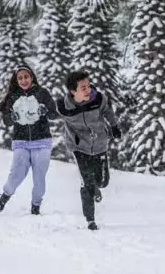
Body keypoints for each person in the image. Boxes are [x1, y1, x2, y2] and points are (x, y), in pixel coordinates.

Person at [56, 71, 121, 231]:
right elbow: (51, 113)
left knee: (102, 181)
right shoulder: (65, 107)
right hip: (79, 147)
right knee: (87, 182)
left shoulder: (98, 99)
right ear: (73, 91)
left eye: (89, 85)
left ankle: (95, 186)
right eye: (83, 88)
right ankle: (90, 220)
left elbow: (108, 111)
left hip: (99, 144)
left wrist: (114, 126)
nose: (88, 90)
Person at [0, 65, 56, 215]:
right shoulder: (13, 96)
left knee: (39, 178)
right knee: (17, 173)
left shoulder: (42, 93)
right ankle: (6, 195)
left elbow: (54, 114)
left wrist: (46, 111)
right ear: (16, 80)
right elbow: (6, 120)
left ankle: (35, 206)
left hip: (42, 141)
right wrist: (11, 117)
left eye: (26, 77)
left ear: (32, 77)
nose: (23, 80)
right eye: (20, 78)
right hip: (21, 141)